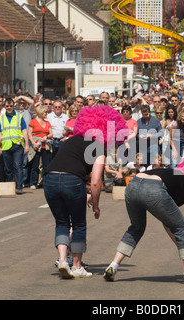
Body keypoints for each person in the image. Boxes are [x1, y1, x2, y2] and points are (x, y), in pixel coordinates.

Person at [104, 156, 184, 286]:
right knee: (183, 228)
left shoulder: (173, 176)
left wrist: (182, 246)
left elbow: (167, 222)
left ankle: (113, 266)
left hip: (133, 185)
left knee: (136, 227)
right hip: (153, 188)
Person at [44, 105, 128, 279]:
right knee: (79, 224)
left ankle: (62, 260)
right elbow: (96, 181)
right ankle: (76, 266)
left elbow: (66, 162)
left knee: (61, 223)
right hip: (72, 181)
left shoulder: (71, 140)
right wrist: (96, 205)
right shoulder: (98, 147)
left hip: (50, 179)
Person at [0, 98, 30, 195]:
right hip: (6, 146)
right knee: (8, 168)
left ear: (13, 106)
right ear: (5, 106)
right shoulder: (2, 118)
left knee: (17, 166)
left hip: (17, 145)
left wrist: (27, 144)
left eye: (11, 106)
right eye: (7, 106)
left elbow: (24, 130)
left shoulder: (19, 117)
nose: (9, 108)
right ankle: (10, 187)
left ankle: (19, 187)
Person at [28, 105, 53, 190]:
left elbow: (51, 134)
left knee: (46, 165)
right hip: (37, 145)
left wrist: (47, 137)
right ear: (40, 113)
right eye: (44, 112)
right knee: (35, 165)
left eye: (46, 112)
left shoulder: (48, 123)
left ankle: (45, 182)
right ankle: (33, 183)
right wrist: (33, 143)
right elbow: (29, 133)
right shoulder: (33, 122)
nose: (46, 114)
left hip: (45, 146)